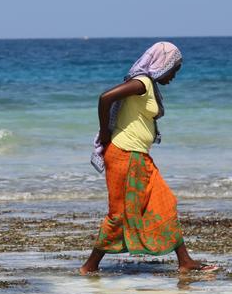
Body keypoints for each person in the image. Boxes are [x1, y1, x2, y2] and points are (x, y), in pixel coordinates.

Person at [81, 41, 215, 275]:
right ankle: (89, 266)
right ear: (163, 64)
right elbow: (105, 98)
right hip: (124, 155)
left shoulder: (149, 85)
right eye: (174, 68)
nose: (174, 74)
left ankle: (185, 261)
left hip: (138, 157)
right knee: (119, 214)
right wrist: (104, 133)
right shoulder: (142, 83)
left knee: (165, 202)